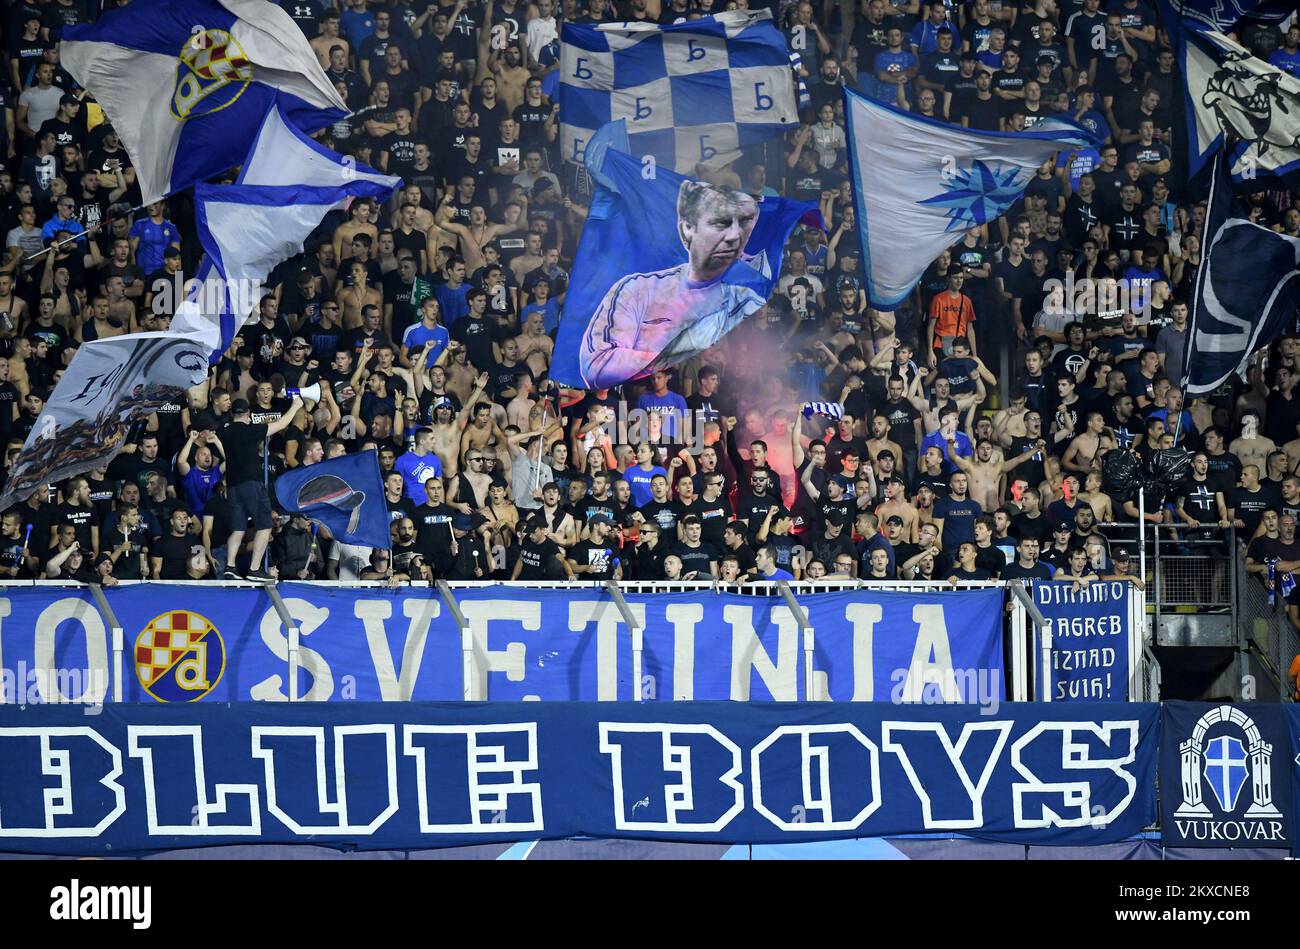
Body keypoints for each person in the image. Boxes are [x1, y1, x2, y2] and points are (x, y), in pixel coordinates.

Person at [579, 181, 765, 388]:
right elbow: (599, 368)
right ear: (687, 228)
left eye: (744, 222)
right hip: (646, 406)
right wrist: (680, 348)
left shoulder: (748, 299)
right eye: (721, 223)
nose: (734, 236)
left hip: (710, 404)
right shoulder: (638, 291)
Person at [221, 395, 304, 581]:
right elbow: (282, 424)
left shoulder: (225, 432)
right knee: (265, 525)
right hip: (252, 484)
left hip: (233, 486)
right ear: (248, 414)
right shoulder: (251, 430)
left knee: (238, 528)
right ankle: (254, 569)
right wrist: (296, 406)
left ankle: (230, 566)